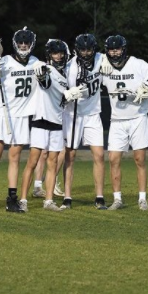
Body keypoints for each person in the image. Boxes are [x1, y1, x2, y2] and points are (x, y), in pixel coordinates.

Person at [0, 27, 41, 213]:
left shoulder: (36, 63)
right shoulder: (3, 62)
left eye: (26, 43)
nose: (23, 46)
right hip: (1, 114)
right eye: (20, 43)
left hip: (21, 116)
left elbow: (45, 82)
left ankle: (11, 199)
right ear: (15, 44)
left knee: (15, 158)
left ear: (31, 45)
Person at [101, 35, 148, 210]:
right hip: (117, 120)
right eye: (110, 49)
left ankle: (142, 199)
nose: (114, 53)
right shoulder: (102, 66)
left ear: (124, 49)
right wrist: (99, 63)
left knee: (139, 159)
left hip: (138, 117)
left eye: (117, 49)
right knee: (113, 159)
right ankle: (117, 199)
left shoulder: (137, 64)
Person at [18, 39, 75, 211]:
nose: (58, 56)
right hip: (41, 121)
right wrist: (65, 92)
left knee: (52, 163)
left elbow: (60, 99)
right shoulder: (46, 69)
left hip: (57, 122)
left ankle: (48, 200)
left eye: (61, 53)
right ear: (49, 55)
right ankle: (23, 200)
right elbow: (45, 81)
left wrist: (69, 95)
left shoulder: (65, 74)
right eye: (55, 53)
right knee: (33, 161)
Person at [61, 33, 113, 209]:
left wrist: (108, 61)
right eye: (82, 49)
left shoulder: (101, 59)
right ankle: (67, 197)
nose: (85, 52)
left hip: (92, 114)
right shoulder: (69, 67)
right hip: (73, 115)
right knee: (70, 156)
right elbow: (58, 93)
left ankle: (99, 197)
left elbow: (117, 59)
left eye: (89, 49)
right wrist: (68, 95)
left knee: (99, 155)